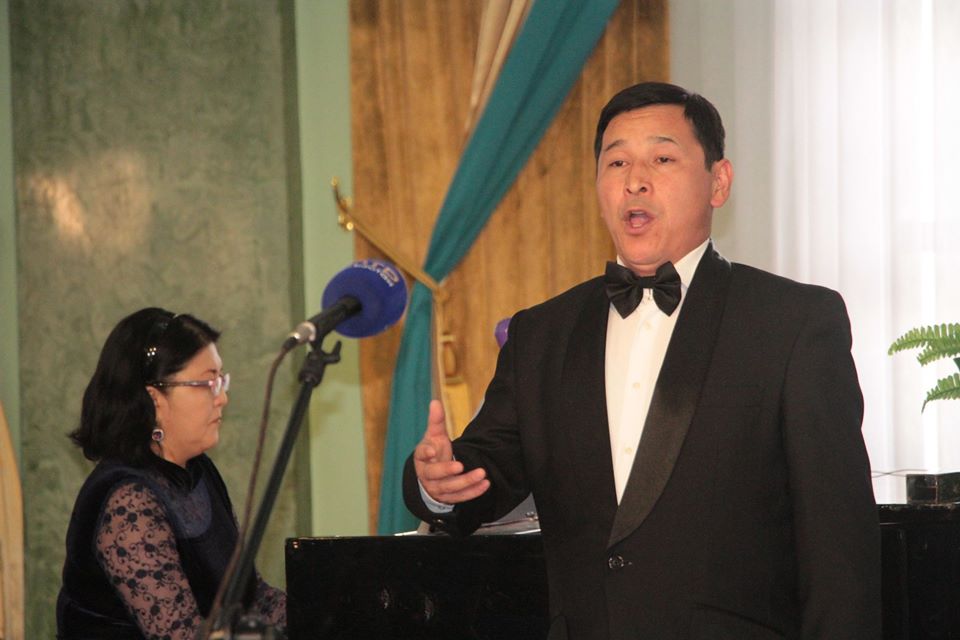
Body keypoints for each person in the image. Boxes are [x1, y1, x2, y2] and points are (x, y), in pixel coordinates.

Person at [404, 82, 880, 639]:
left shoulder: (792, 324)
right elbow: (489, 469)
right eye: (616, 162)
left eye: (662, 158)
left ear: (719, 182)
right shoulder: (542, 334)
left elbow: (839, 552)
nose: (635, 180)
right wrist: (440, 482)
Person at [57, 308, 285, 639]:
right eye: (208, 383)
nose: (222, 398)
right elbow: (180, 634)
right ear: (155, 399)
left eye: (221, 380)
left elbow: (252, 599)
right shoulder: (128, 501)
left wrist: (334, 611)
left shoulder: (198, 471)